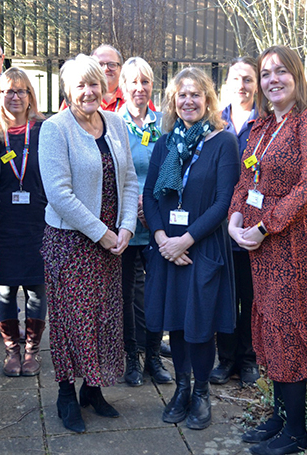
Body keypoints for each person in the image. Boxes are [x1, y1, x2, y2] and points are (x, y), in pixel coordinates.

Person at [229, 45, 307, 455]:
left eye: (281, 71)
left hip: (299, 246)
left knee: (291, 331)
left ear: (297, 76)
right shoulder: (260, 128)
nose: (272, 79)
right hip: (266, 249)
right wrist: (235, 218)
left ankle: (297, 433)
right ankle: (280, 416)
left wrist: (263, 225)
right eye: (265, 73)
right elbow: (246, 181)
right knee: (273, 329)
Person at [39, 54, 138, 433]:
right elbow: (59, 195)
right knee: (70, 321)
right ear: (68, 89)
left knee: (103, 318)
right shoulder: (55, 128)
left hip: (112, 243)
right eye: (80, 85)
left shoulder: (114, 123)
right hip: (71, 243)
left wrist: (126, 227)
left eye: (94, 83)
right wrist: (102, 232)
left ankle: (92, 390)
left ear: (104, 87)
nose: (88, 91)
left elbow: (129, 180)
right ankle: (66, 394)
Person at [143, 67, 239, 430]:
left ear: (208, 99)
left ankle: (201, 393)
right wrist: (162, 239)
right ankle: (180, 388)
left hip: (202, 247)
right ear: (173, 101)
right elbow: (151, 196)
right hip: (169, 249)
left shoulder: (223, 142)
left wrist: (186, 239)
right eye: (182, 95)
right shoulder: (166, 143)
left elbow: (223, 201)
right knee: (177, 324)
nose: (188, 101)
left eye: (195, 94)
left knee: (200, 324)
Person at [118, 57, 172, 387]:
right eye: (133, 82)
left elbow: (174, 169)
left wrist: (151, 203)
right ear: (122, 87)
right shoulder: (112, 123)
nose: (140, 88)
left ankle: (153, 356)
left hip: (157, 224)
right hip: (125, 223)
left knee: (156, 291)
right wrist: (132, 203)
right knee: (127, 296)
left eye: (146, 82)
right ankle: (132, 359)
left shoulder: (163, 124)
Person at [0, 68, 47, 377]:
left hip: (38, 222)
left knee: (37, 289)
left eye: (21, 91)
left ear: (30, 97)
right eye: (8, 91)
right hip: (1, 224)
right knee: (5, 290)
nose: (15, 97)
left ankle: (31, 351)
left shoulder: (43, 130)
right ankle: (12, 350)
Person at [210, 56, 260, 387]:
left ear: (256, 85)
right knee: (223, 297)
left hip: (254, 226)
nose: (241, 86)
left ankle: (249, 359)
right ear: (226, 84)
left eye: (248, 79)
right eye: (235, 79)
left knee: (252, 297)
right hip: (217, 225)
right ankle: (225, 359)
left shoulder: (268, 123)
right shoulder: (215, 121)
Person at [59, 44, 156, 113]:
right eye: (99, 64)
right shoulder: (77, 98)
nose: (105, 69)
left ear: (120, 69)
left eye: (112, 64)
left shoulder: (137, 96)